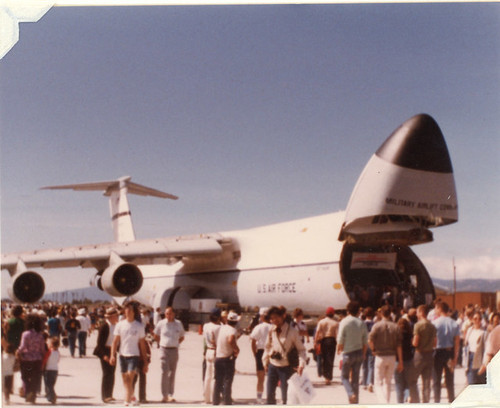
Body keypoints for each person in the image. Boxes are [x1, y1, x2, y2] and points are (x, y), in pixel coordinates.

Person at [263, 306, 307, 405]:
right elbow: (267, 346)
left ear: (283, 316)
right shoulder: (271, 329)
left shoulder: (292, 331)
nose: (274, 320)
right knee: (269, 395)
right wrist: (265, 361)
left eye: (276, 317)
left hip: (286, 368)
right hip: (273, 366)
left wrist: (301, 365)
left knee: (286, 397)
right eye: (272, 318)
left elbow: (301, 350)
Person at [110, 301, 149, 407]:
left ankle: (126, 401)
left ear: (133, 312)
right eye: (126, 309)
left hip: (134, 355)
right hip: (122, 355)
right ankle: (132, 396)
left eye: (130, 310)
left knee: (130, 376)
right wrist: (112, 355)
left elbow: (142, 345)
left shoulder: (139, 326)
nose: (127, 311)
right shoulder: (120, 325)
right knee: (125, 378)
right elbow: (115, 342)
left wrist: (145, 361)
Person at [368, 305, 403, 403]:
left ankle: (383, 402)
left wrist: (373, 349)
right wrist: (400, 361)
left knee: (378, 383)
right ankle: (386, 401)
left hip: (380, 356)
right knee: (387, 382)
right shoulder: (396, 326)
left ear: (381, 313)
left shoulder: (376, 326)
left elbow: (370, 340)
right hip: (392, 356)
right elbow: (399, 345)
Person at [337, 301, 368, 404]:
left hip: (348, 353)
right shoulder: (361, 323)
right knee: (355, 379)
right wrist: (363, 354)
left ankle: (350, 394)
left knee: (344, 377)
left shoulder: (344, 322)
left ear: (348, 310)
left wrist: (339, 349)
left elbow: (340, 339)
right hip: (359, 352)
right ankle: (355, 402)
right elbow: (365, 341)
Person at [154, 307, 185, 403]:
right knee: (164, 372)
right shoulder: (161, 323)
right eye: (166, 314)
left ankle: (170, 394)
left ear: (174, 314)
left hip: (174, 350)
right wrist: (162, 343)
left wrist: (175, 343)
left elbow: (182, 336)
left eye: (170, 313)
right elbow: (156, 335)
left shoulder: (178, 324)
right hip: (164, 349)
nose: (168, 315)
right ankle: (164, 395)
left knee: (172, 372)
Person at [432, 301, 460, 403]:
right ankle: (451, 401)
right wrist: (455, 357)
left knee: (436, 380)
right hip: (450, 353)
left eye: (435, 308)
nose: (435, 310)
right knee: (449, 380)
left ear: (439, 309)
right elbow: (457, 341)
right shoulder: (454, 323)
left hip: (437, 353)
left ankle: (437, 402)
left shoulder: (434, 323)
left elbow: (433, 340)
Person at [16, 313, 47, 403]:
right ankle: (32, 395)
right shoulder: (40, 335)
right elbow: (42, 349)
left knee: (25, 378)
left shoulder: (25, 334)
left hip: (26, 360)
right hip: (37, 360)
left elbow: (22, 347)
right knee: (35, 378)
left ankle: (28, 393)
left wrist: (17, 352)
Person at [213, 311, 241, 405]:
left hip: (218, 357)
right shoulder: (232, 330)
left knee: (218, 381)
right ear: (236, 321)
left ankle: (215, 401)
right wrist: (236, 349)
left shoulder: (222, 328)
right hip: (227, 358)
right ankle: (227, 401)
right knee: (227, 381)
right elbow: (231, 339)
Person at [93, 307, 119, 403]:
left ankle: (110, 394)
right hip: (104, 350)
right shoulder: (104, 326)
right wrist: (104, 355)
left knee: (112, 373)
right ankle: (104, 395)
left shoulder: (116, 326)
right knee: (106, 373)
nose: (117, 317)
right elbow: (99, 343)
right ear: (111, 317)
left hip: (113, 351)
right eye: (116, 316)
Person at [412, 304, 436, 403]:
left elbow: (415, 342)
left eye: (417, 312)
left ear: (421, 312)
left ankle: (415, 401)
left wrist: (412, 342)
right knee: (426, 383)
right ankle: (425, 403)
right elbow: (435, 343)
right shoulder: (432, 326)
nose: (416, 314)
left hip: (419, 354)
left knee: (412, 379)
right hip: (429, 354)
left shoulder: (418, 325)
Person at [394, 318, 419, 403]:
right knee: (409, 382)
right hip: (409, 360)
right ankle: (408, 396)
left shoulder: (396, 336)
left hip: (397, 361)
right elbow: (413, 346)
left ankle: (400, 402)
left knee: (399, 385)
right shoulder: (410, 335)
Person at [249, 307, 271, 404]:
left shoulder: (258, 327)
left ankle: (259, 398)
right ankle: (270, 397)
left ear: (261, 316)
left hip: (261, 352)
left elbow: (253, 341)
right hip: (271, 352)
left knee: (260, 378)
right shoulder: (273, 327)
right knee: (271, 377)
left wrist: (255, 354)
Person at [314, 306, 339, 385]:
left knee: (324, 359)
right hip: (331, 340)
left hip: (324, 341)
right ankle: (328, 377)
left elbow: (317, 333)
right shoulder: (335, 323)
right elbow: (337, 335)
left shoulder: (321, 322)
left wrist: (315, 342)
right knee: (330, 359)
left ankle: (325, 376)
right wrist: (338, 345)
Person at [203, 308, 221, 404]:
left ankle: (206, 398)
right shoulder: (218, 328)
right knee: (215, 376)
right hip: (215, 351)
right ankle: (215, 397)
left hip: (208, 350)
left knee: (207, 376)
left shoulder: (206, 326)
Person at [464, 311, 487, 384]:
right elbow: (466, 346)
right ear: (472, 320)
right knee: (471, 382)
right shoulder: (469, 330)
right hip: (470, 358)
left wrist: (484, 364)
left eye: (479, 319)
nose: (477, 320)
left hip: (479, 359)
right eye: (475, 318)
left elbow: (486, 350)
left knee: (480, 383)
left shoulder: (484, 332)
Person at [361, 307, 375, 392]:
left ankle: (364, 383)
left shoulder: (362, 324)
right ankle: (370, 382)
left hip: (363, 344)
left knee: (364, 365)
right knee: (371, 365)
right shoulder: (374, 324)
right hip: (372, 343)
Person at [42, 337, 60, 404]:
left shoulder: (49, 352)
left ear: (51, 345)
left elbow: (45, 360)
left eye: (48, 343)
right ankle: (50, 396)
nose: (47, 344)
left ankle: (52, 396)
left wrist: (42, 367)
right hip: (55, 370)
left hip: (48, 370)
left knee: (48, 384)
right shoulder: (57, 352)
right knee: (51, 384)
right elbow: (58, 360)